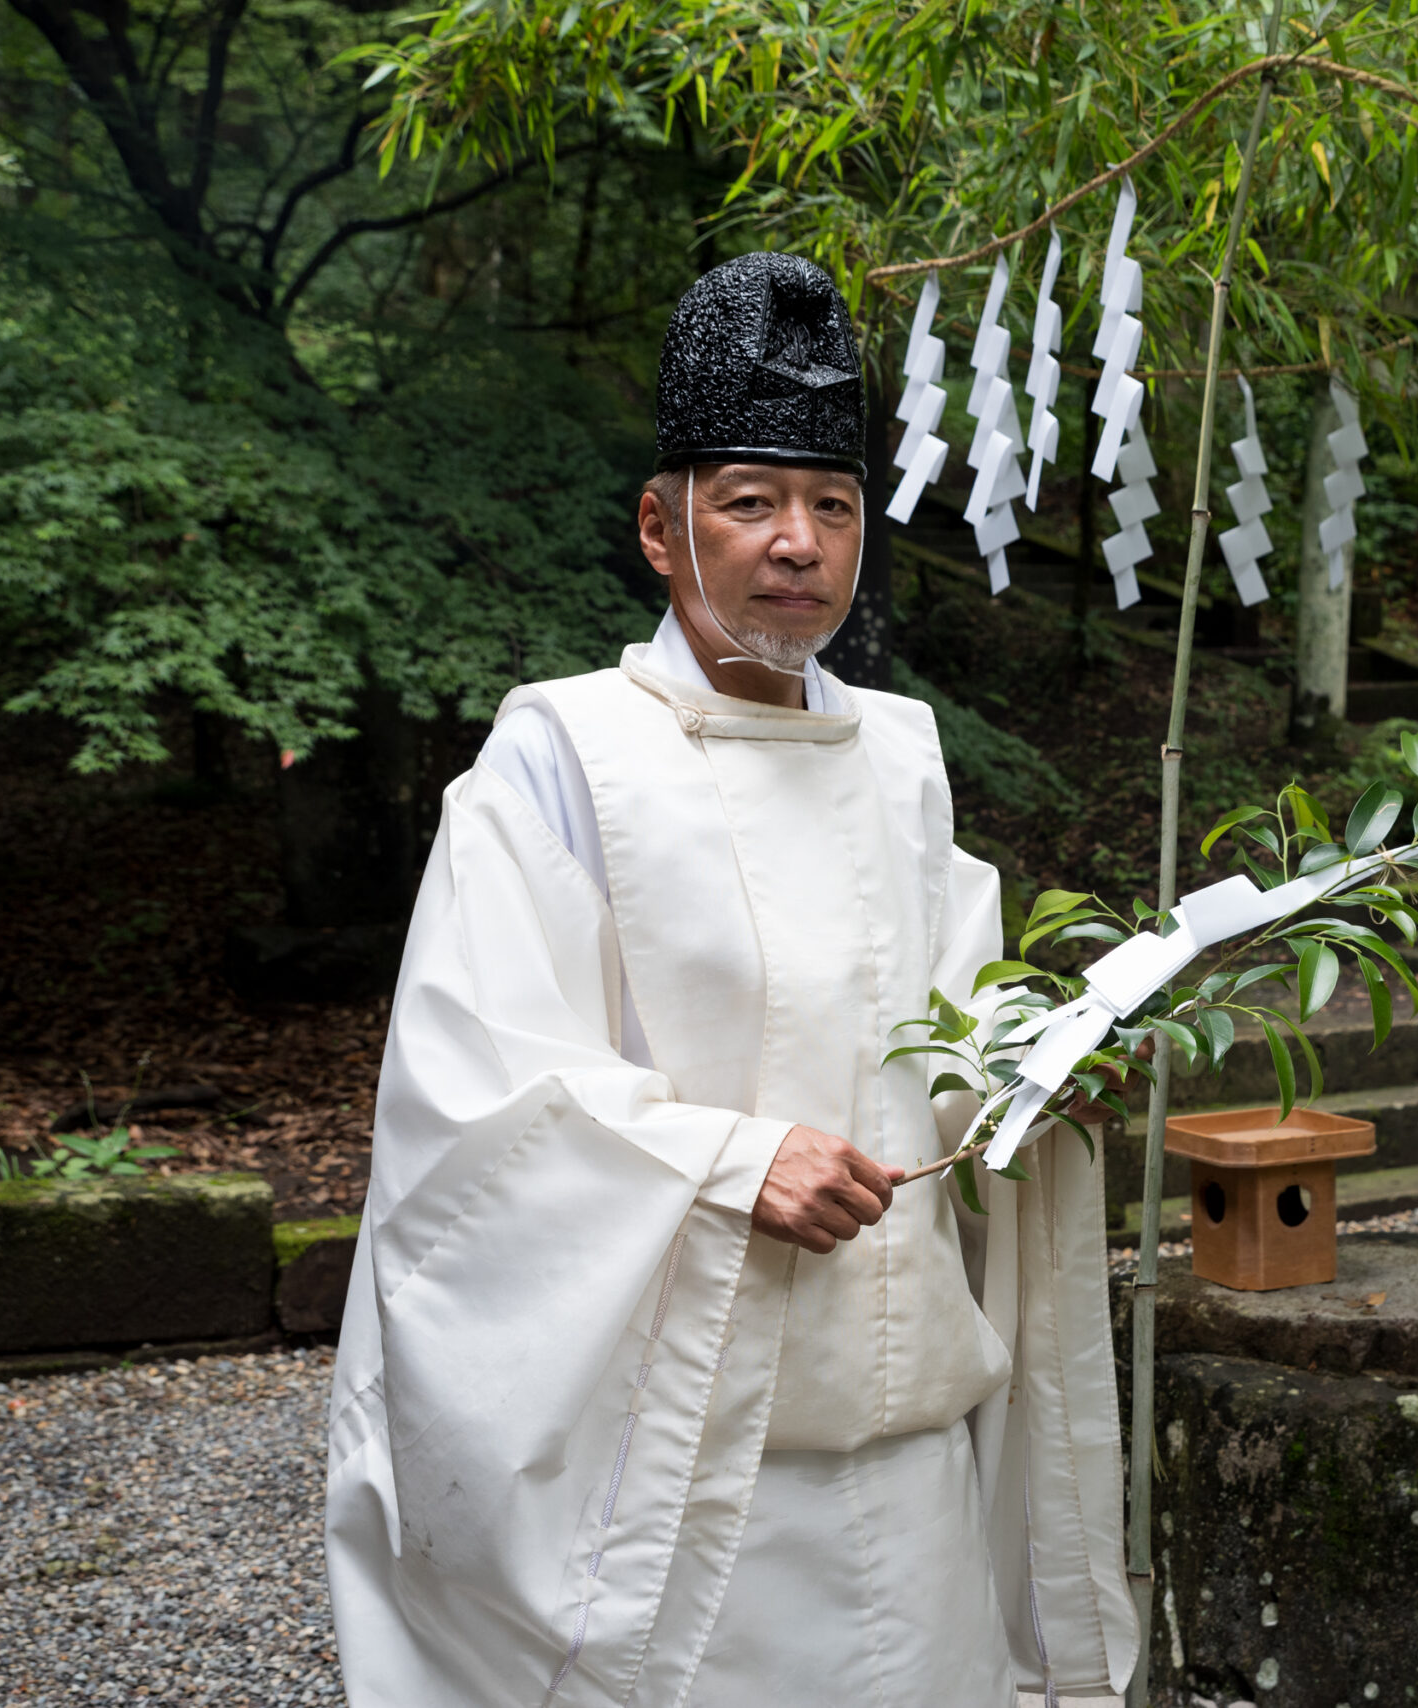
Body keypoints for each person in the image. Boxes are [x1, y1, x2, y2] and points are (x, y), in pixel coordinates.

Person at [324, 252, 1133, 1708]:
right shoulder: (564, 755)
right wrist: (729, 1164)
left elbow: (945, 1030)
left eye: (830, 507)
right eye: (750, 500)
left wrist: (1045, 1068)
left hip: (906, 1446)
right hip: (688, 1479)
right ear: (661, 524)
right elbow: (479, 1098)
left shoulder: (899, 753)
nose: (797, 544)